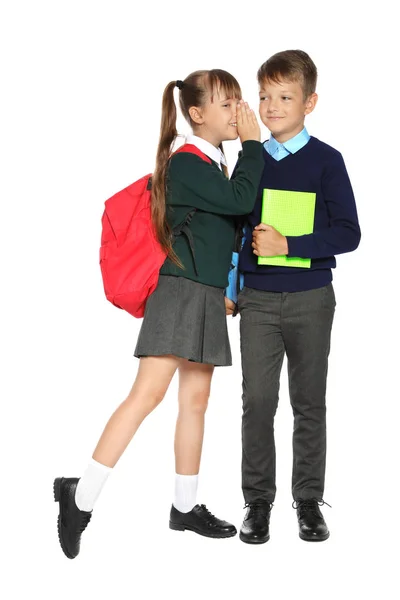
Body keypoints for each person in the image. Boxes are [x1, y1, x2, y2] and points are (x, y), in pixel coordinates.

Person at [54, 69, 264, 559]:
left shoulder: (213, 163)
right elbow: (242, 201)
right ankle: (79, 498)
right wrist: (253, 146)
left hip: (206, 294)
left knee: (195, 401)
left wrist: (225, 290)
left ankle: (185, 508)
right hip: (179, 293)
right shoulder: (188, 164)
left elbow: (222, 231)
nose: (239, 112)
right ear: (197, 114)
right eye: (228, 104)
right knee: (146, 396)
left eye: (238, 102)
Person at [227, 50, 361, 543]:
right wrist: (230, 286)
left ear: (310, 102)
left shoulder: (328, 162)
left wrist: (290, 245)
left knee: (310, 403)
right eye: (264, 95)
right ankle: (257, 502)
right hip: (258, 300)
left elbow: (349, 233)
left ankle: (307, 501)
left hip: (311, 298)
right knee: (257, 402)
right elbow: (237, 230)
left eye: (285, 96)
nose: (272, 105)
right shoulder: (252, 159)